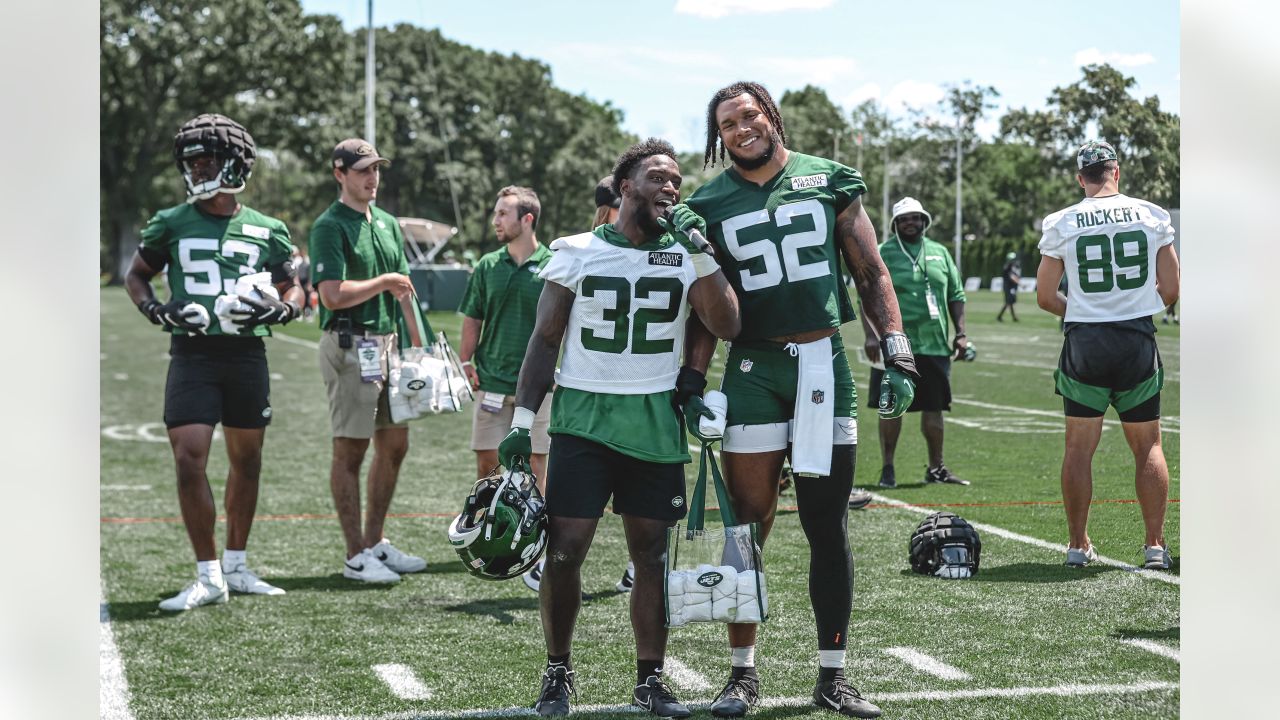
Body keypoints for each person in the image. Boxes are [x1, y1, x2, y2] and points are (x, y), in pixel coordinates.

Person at [683, 81, 919, 719]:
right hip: (754, 366)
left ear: (771, 117)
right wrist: (694, 378)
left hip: (823, 362)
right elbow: (706, 306)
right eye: (727, 124)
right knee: (747, 523)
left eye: (748, 116)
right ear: (719, 136)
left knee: (825, 522)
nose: (740, 129)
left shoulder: (830, 180)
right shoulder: (707, 203)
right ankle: (741, 672)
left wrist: (893, 342)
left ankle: (834, 675)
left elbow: (871, 272)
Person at [498, 138, 740, 718]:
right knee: (564, 552)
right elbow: (545, 339)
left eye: (676, 180)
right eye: (658, 177)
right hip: (584, 419)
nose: (671, 187)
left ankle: (649, 681)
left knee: (651, 557)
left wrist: (701, 257)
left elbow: (724, 321)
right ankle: (558, 671)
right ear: (626, 186)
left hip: (655, 420)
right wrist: (522, 420)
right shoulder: (577, 251)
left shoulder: (687, 251)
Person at [124, 113, 303, 611]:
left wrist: (283, 307)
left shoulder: (268, 230)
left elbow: (295, 287)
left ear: (234, 165)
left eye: (205, 162)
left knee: (247, 461)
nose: (196, 172)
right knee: (189, 456)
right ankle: (207, 575)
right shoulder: (171, 221)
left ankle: (237, 564)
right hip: (193, 353)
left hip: (247, 354)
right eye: (192, 163)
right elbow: (136, 277)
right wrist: (157, 310)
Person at [1035, 140, 1179, 570]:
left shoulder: (1062, 221)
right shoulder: (1152, 214)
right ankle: (1155, 545)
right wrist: (1130, 308)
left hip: (1086, 344)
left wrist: (1083, 310)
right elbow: (1171, 290)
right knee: (1148, 444)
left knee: (1079, 449)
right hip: (1136, 341)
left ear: (1081, 178)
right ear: (1117, 170)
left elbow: (1045, 296)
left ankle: (1078, 545)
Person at [310, 138, 427, 584]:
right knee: (351, 450)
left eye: (376, 169)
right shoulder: (329, 225)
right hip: (349, 344)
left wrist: (418, 349)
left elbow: (404, 292)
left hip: (388, 346)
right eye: (362, 170)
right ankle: (355, 554)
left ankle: (375, 542)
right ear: (339, 174)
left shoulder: (387, 223)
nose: (372, 178)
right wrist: (384, 281)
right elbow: (331, 295)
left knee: (395, 444)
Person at [457, 186, 555, 593]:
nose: (495, 220)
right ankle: (492, 539)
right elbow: (472, 318)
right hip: (493, 384)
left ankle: (535, 547)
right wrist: (465, 361)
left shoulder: (553, 263)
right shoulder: (487, 265)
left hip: (541, 389)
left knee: (536, 470)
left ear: (527, 219)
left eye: (502, 213)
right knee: (487, 467)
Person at [863, 197, 970, 490]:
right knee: (892, 407)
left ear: (924, 221)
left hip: (934, 343)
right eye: (904, 219)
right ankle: (888, 468)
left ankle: (936, 467)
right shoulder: (881, 253)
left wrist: (960, 333)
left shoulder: (940, 252)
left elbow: (956, 295)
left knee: (934, 409)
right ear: (895, 224)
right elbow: (867, 295)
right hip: (894, 342)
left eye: (915, 218)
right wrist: (872, 335)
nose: (911, 223)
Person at [996, 251, 1021, 322]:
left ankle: (1014, 318)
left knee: (1010, 302)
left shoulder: (1011, 266)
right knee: (1008, 302)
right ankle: (1000, 316)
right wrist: (1020, 284)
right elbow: (1012, 277)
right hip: (1008, 288)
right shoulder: (1007, 267)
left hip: (1010, 287)